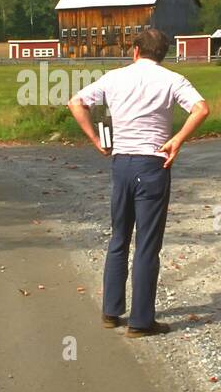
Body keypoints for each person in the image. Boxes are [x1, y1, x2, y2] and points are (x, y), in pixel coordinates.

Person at [67, 28, 210, 337]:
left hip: (122, 163)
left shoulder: (114, 78)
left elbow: (75, 102)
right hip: (153, 162)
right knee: (146, 243)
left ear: (135, 51)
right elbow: (201, 108)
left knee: (119, 236)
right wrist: (177, 140)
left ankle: (111, 310)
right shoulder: (172, 80)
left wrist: (95, 138)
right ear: (163, 54)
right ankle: (141, 321)